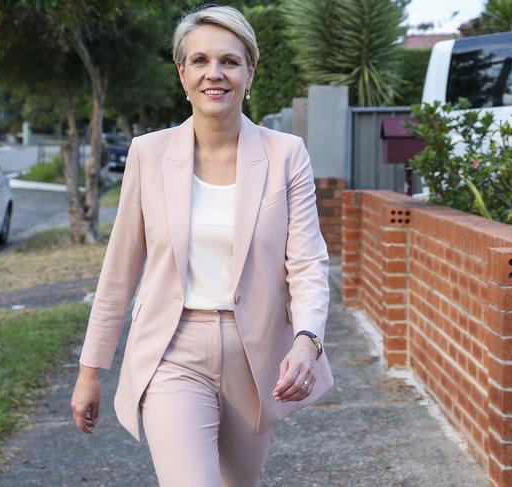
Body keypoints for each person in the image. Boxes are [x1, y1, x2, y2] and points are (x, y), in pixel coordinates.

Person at [71, 5, 333, 486]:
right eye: (200, 61)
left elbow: (308, 262)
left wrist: (306, 340)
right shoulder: (149, 155)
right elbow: (120, 270)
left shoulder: (285, 154)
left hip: (256, 357)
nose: (215, 73)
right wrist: (91, 369)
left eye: (230, 62)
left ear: (250, 72)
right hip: (173, 351)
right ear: (182, 73)